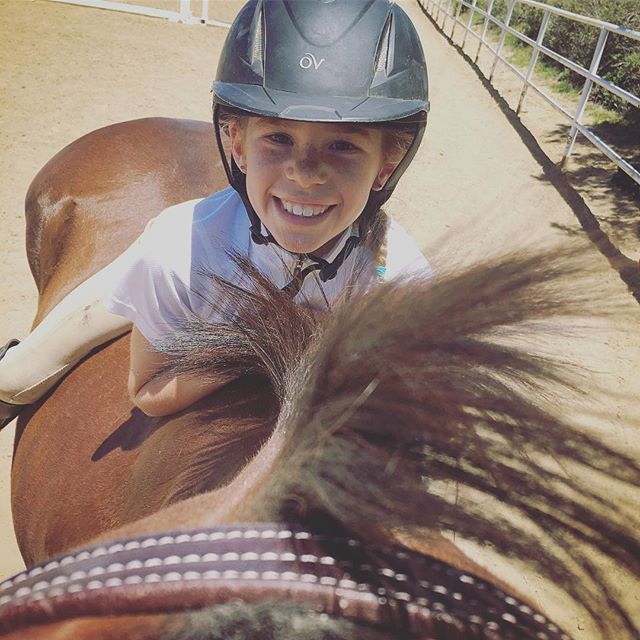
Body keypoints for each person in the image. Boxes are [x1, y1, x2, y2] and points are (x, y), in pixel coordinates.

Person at [0, 0, 430, 426]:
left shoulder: (404, 279)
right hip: (202, 250)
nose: (305, 174)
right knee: (19, 375)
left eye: (343, 145)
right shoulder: (176, 250)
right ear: (238, 147)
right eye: (278, 138)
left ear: (386, 165)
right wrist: (273, 337)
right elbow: (147, 392)